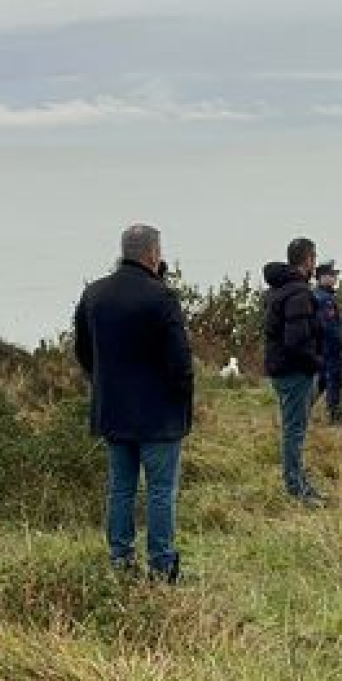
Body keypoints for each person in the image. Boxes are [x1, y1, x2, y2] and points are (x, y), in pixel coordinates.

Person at [73, 224, 194, 582]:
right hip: (159, 415)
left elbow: (83, 350)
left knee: (121, 488)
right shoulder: (161, 297)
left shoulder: (94, 294)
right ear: (153, 254)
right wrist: (181, 396)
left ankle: (120, 559)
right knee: (160, 490)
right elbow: (180, 361)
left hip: (114, 409)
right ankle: (161, 565)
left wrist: (104, 381)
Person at [263, 237, 325, 503]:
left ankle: (298, 479)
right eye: (314, 258)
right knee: (294, 430)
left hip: (284, 368)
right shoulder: (299, 293)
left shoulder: (281, 289)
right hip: (294, 371)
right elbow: (296, 339)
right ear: (308, 260)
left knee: (294, 428)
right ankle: (295, 487)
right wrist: (315, 363)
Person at [313, 261, 342, 424]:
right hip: (330, 348)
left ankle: (304, 409)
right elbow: (330, 327)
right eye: (332, 275)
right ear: (322, 277)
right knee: (333, 381)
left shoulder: (317, 295)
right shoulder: (325, 299)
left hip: (320, 347)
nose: (335, 278)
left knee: (321, 381)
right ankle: (335, 416)